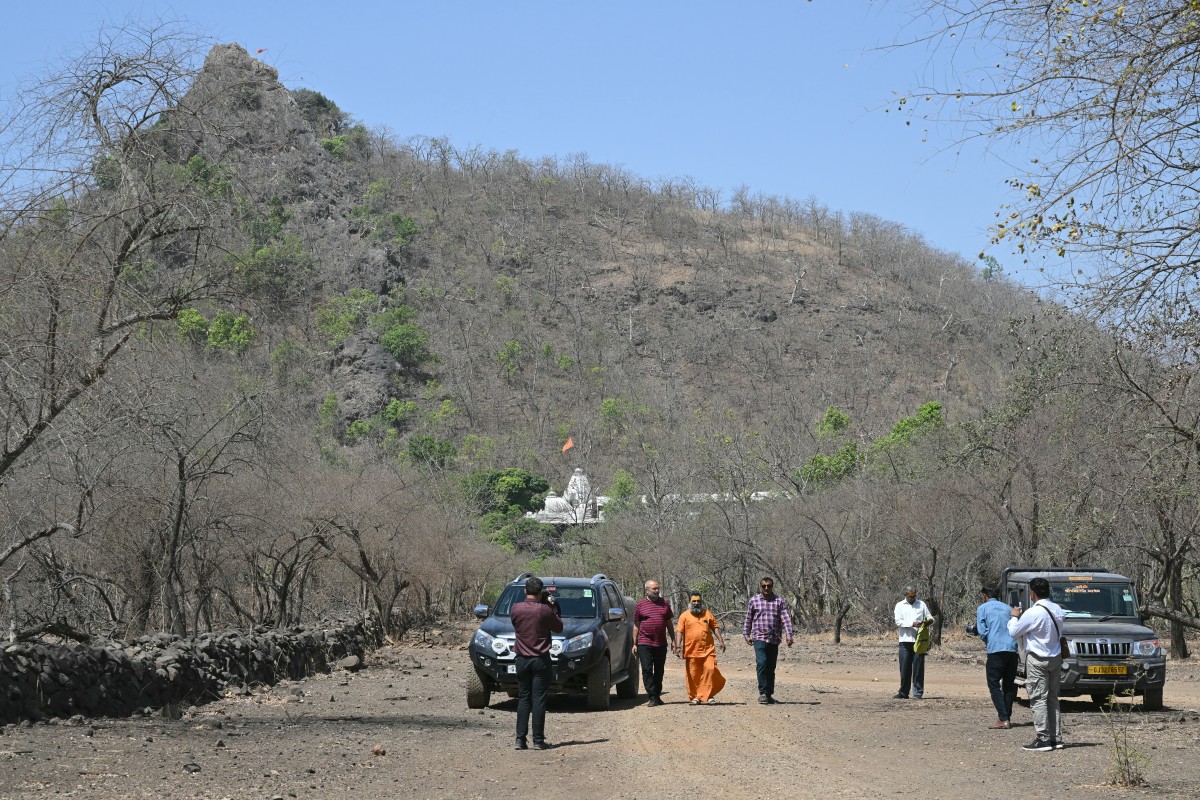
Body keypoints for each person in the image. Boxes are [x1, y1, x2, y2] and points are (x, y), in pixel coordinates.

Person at [1008, 576, 1066, 751]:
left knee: (1038, 698)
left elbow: (1014, 632)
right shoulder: (1058, 609)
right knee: (1052, 698)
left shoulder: (1033, 613)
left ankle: (1043, 738)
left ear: (1032, 594)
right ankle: (1055, 738)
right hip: (1056, 657)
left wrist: (1014, 617)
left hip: (1037, 658)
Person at [509, 575, 563, 750]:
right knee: (538, 700)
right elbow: (559, 627)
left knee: (524, 698)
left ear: (525, 591)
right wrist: (553, 606)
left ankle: (520, 739)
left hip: (521, 659)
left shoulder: (516, 608)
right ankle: (538, 740)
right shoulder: (544, 610)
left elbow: (516, 625)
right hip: (540, 659)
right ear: (540, 592)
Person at [742, 577, 794, 704]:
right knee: (761, 663)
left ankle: (769, 694)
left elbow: (786, 619)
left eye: (769, 586)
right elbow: (749, 618)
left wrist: (789, 635)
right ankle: (763, 693)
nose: (766, 588)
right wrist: (746, 634)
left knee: (771, 666)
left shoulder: (779, 601)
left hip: (774, 638)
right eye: (764, 586)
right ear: (760, 587)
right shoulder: (754, 600)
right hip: (759, 637)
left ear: (772, 586)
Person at [977, 585, 1019, 728]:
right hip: (1012, 650)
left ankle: (1003, 718)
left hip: (996, 650)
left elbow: (982, 631)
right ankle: (1007, 717)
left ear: (985, 596)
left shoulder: (982, 608)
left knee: (994, 684)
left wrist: (989, 640)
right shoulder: (1008, 608)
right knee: (1009, 685)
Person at [674, 591, 726, 704]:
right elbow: (679, 632)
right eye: (694, 601)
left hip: (708, 649)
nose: (696, 603)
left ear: (701, 602)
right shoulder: (684, 616)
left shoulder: (707, 613)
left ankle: (709, 694)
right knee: (694, 674)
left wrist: (721, 641)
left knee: (710, 670)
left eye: (698, 601)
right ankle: (696, 697)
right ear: (690, 602)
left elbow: (715, 627)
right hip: (691, 650)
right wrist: (677, 646)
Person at [632, 579, 675, 707]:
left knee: (659, 670)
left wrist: (673, 639)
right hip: (644, 642)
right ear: (647, 590)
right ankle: (651, 696)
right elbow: (636, 625)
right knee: (647, 669)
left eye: (657, 588)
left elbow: (669, 623)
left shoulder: (664, 603)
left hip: (660, 643)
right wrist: (634, 643)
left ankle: (657, 695)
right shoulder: (640, 605)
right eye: (654, 589)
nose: (656, 591)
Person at [894, 585, 935, 699]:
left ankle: (918, 692)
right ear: (905, 594)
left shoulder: (921, 604)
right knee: (904, 668)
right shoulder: (899, 605)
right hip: (905, 641)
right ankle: (903, 692)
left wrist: (927, 622)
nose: (913, 597)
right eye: (910, 595)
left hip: (919, 641)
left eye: (914, 595)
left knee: (918, 668)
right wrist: (912, 624)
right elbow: (898, 621)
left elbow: (930, 617)